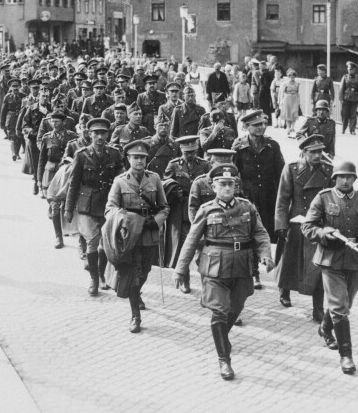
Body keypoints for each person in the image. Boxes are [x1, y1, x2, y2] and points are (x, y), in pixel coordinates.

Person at [174, 165, 274, 381]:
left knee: (235, 308)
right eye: (223, 184)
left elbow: (260, 233)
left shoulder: (247, 207)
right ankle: (224, 359)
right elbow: (191, 240)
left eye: (231, 184)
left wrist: (266, 254)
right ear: (214, 187)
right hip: (214, 269)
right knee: (219, 312)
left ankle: (221, 338)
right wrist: (181, 269)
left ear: (235, 186)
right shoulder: (206, 210)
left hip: (242, 267)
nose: (227, 188)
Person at [301, 160, 358, 375]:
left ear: (354, 179)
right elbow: (307, 226)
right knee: (339, 307)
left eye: (349, 177)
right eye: (341, 177)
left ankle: (325, 328)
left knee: (345, 304)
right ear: (335, 178)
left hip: (355, 260)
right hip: (331, 259)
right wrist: (323, 233)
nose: (345, 181)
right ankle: (346, 356)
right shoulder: (323, 197)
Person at [105, 140, 169, 333]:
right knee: (133, 273)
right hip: (129, 235)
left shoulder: (154, 179)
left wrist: (156, 221)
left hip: (149, 232)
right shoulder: (120, 181)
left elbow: (165, 207)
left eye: (142, 157)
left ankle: (136, 292)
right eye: (135, 157)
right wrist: (126, 220)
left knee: (145, 269)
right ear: (128, 159)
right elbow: (110, 209)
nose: (139, 161)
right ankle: (136, 316)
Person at [65, 118, 126, 295]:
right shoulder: (81, 155)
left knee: (105, 242)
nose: (100, 137)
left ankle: (101, 274)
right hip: (87, 204)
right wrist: (69, 209)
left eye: (103, 133)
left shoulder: (114, 154)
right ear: (90, 134)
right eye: (96, 133)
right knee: (92, 241)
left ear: (107, 135)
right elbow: (73, 184)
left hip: (108, 203)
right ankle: (94, 280)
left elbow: (121, 180)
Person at [274, 134, 333, 317]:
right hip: (296, 222)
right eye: (313, 152)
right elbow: (283, 200)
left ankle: (318, 308)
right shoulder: (291, 169)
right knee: (289, 261)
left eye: (320, 152)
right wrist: (280, 225)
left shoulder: (328, 170)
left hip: (317, 224)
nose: (317, 156)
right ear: (304, 152)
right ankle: (284, 290)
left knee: (317, 266)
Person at [233, 109, 285, 290]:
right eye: (256, 125)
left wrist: (282, 199)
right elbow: (233, 173)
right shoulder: (238, 146)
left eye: (263, 124)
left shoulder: (272, 146)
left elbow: (282, 174)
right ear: (247, 126)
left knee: (269, 233)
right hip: (248, 198)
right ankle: (254, 271)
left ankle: (273, 267)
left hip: (269, 198)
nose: (261, 127)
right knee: (249, 234)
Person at [163, 135, 211, 273]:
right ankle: (183, 275)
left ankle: (203, 271)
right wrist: (174, 190)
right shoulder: (173, 165)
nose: (190, 155)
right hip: (180, 209)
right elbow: (165, 183)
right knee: (181, 244)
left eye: (193, 152)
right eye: (186, 153)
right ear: (181, 151)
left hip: (198, 208)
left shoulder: (204, 165)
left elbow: (210, 183)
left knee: (200, 243)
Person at [338, 62, 358, 135]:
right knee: (345, 114)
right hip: (346, 98)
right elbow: (341, 88)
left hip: (354, 98)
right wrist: (341, 99)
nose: (349, 71)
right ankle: (343, 129)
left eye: (351, 69)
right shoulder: (345, 77)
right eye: (348, 69)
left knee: (353, 115)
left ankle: (352, 130)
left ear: (354, 69)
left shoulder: (357, 78)